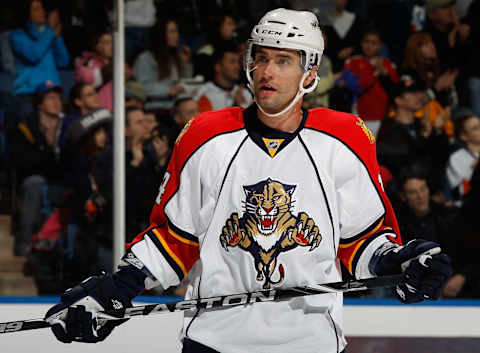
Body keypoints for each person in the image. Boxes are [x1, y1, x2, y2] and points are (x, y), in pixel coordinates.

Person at [45, 9, 452, 352]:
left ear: (309, 72)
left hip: (310, 342)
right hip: (215, 341)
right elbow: (175, 237)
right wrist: (116, 288)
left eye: (283, 60)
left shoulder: (345, 137)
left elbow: (361, 240)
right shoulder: (205, 133)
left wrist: (402, 262)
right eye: (261, 58)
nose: (267, 72)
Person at [10, 81, 65, 256]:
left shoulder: (68, 126)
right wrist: (47, 146)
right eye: (51, 98)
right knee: (35, 183)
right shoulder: (26, 129)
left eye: (58, 98)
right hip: (36, 182)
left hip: (64, 182)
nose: (56, 102)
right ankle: (26, 241)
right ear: (39, 103)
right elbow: (24, 164)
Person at [10, 0, 69, 118]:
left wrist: (56, 38)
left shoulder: (48, 33)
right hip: (30, 95)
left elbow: (63, 61)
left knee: (55, 133)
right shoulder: (17, 35)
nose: (42, 12)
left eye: (42, 8)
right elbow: (33, 55)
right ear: (26, 14)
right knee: (31, 134)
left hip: (52, 91)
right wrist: (50, 31)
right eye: (36, 9)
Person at [343, 28, 399, 136]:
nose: (369, 46)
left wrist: (385, 74)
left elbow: (395, 90)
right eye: (366, 42)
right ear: (361, 43)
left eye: (374, 43)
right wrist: (375, 73)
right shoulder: (352, 62)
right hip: (359, 115)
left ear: (380, 46)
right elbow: (355, 86)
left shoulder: (388, 65)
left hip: (382, 117)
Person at [132, 19, 193, 110]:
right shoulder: (146, 58)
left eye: (176, 32)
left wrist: (185, 64)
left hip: (176, 109)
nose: (176, 36)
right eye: (172, 32)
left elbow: (185, 82)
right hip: (155, 109)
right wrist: (168, 90)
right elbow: (142, 87)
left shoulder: (174, 58)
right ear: (161, 35)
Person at [195, 44, 252, 113]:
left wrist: (242, 104)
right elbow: (204, 122)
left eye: (238, 62)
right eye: (232, 62)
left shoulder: (244, 93)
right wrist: (236, 105)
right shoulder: (204, 93)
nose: (237, 67)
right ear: (217, 66)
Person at [446, 114, 480, 203]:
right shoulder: (457, 158)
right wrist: (474, 170)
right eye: (476, 128)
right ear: (463, 136)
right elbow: (458, 193)